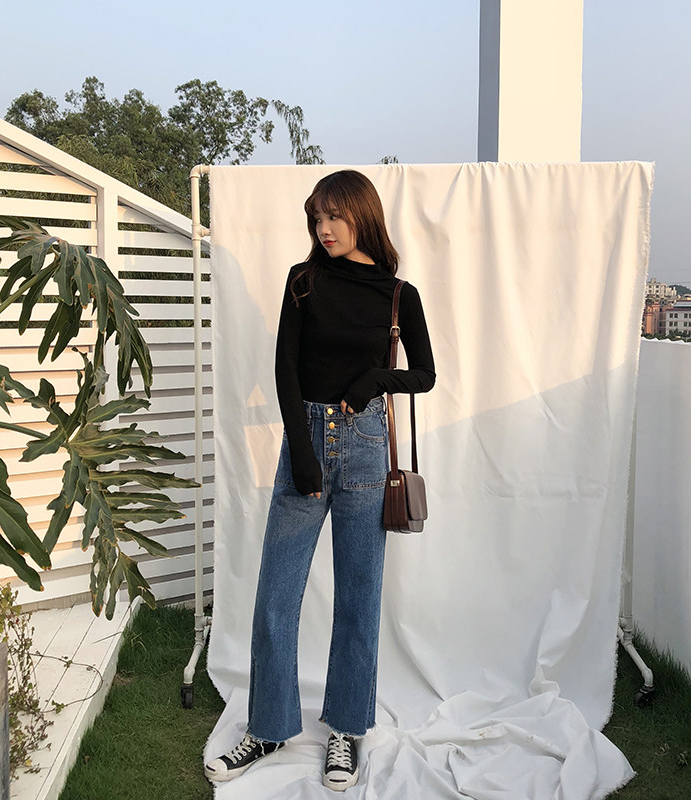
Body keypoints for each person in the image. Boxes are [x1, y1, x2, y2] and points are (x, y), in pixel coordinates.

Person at [205, 169, 436, 791]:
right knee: (275, 597)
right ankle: (267, 727)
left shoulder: (398, 295)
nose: (323, 228)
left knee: (359, 597)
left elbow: (425, 374)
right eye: (316, 217)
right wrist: (302, 454)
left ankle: (346, 731)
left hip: (366, 448)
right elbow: (285, 368)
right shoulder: (303, 281)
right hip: (305, 440)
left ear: (363, 215)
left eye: (334, 215)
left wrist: (374, 381)